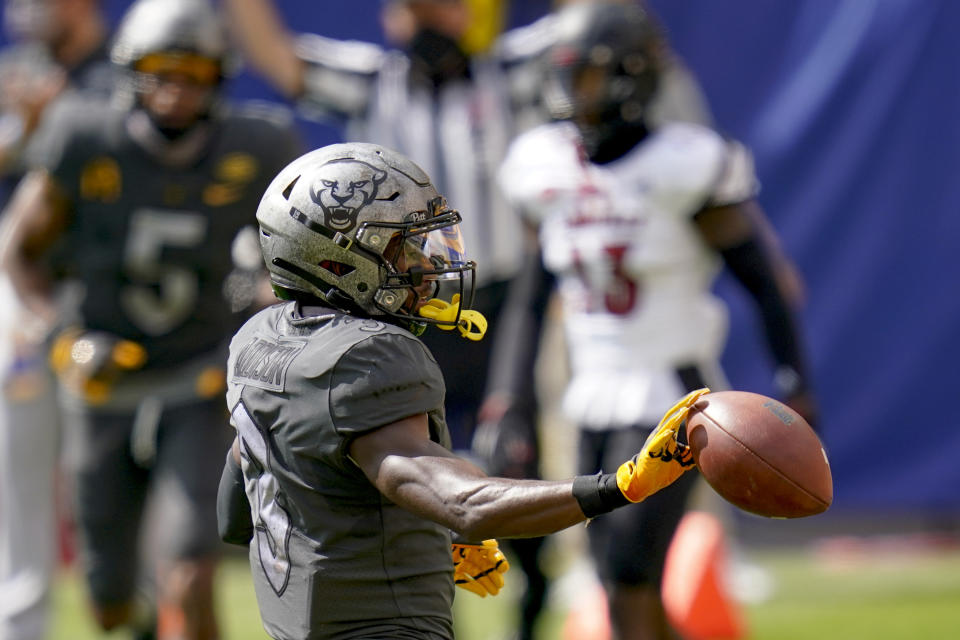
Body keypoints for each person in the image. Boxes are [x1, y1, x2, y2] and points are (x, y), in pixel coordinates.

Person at [215, 140, 710, 640]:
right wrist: (619, 485)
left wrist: (417, 537)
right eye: (403, 247)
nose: (425, 264)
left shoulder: (258, 341)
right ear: (339, 258)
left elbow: (238, 514)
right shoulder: (371, 354)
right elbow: (464, 504)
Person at [486, 3, 818, 640]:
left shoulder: (685, 164)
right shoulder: (543, 165)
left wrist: (795, 382)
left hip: (671, 388)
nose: (571, 92)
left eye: (586, 75)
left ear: (633, 78)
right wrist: (511, 399)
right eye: (566, 75)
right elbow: (531, 298)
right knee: (615, 576)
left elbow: (766, 284)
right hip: (588, 395)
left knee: (631, 564)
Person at [0, 0, 302, 638]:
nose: (174, 91)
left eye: (192, 74)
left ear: (219, 76)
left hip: (196, 372)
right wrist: (62, 337)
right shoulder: (83, 136)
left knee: (189, 565)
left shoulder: (257, 145)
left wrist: (266, 298)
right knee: (106, 597)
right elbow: (19, 252)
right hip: (102, 374)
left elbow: (288, 262)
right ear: (129, 74)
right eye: (159, 73)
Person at [0, 1, 113, 638]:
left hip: (105, 293)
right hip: (23, 290)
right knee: (20, 460)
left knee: (123, 465)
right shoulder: (19, 70)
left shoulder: (125, 71)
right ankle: (19, 628)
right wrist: (23, 127)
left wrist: (48, 128)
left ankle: (146, 613)